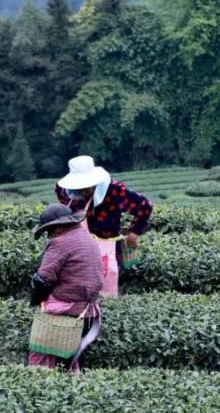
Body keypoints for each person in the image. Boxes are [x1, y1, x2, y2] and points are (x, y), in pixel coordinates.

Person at [55, 154, 152, 297]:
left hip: (106, 248)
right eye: (78, 187)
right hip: (77, 248)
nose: (81, 191)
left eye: (85, 187)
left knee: (105, 293)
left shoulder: (113, 190)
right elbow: (64, 203)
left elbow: (144, 205)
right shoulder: (67, 190)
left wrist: (134, 233)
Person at [28, 203, 104, 372]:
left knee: (41, 353)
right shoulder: (86, 237)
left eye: (50, 230)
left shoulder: (60, 243)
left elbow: (44, 278)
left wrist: (34, 300)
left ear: (59, 227)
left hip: (67, 308)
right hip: (88, 310)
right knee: (68, 359)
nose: (49, 235)